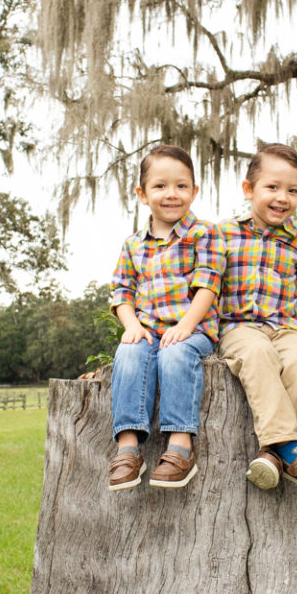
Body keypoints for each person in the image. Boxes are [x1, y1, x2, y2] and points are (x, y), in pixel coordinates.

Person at [218, 143, 297, 492]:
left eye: (293, 191)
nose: (282, 198)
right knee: (258, 355)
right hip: (239, 326)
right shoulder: (222, 234)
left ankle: (272, 455)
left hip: (287, 326)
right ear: (248, 189)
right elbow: (208, 289)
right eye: (272, 187)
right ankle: (292, 449)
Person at [108, 144, 224, 490]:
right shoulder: (133, 245)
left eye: (181, 186)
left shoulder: (204, 234)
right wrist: (132, 325)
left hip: (193, 330)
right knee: (128, 353)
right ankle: (128, 448)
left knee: (175, 354)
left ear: (194, 191)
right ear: (142, 194)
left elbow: (208, 285)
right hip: (148, 329)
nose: (171, 194)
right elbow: (121, 293)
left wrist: (186, 325)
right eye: (160, 186)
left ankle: (180, 446)